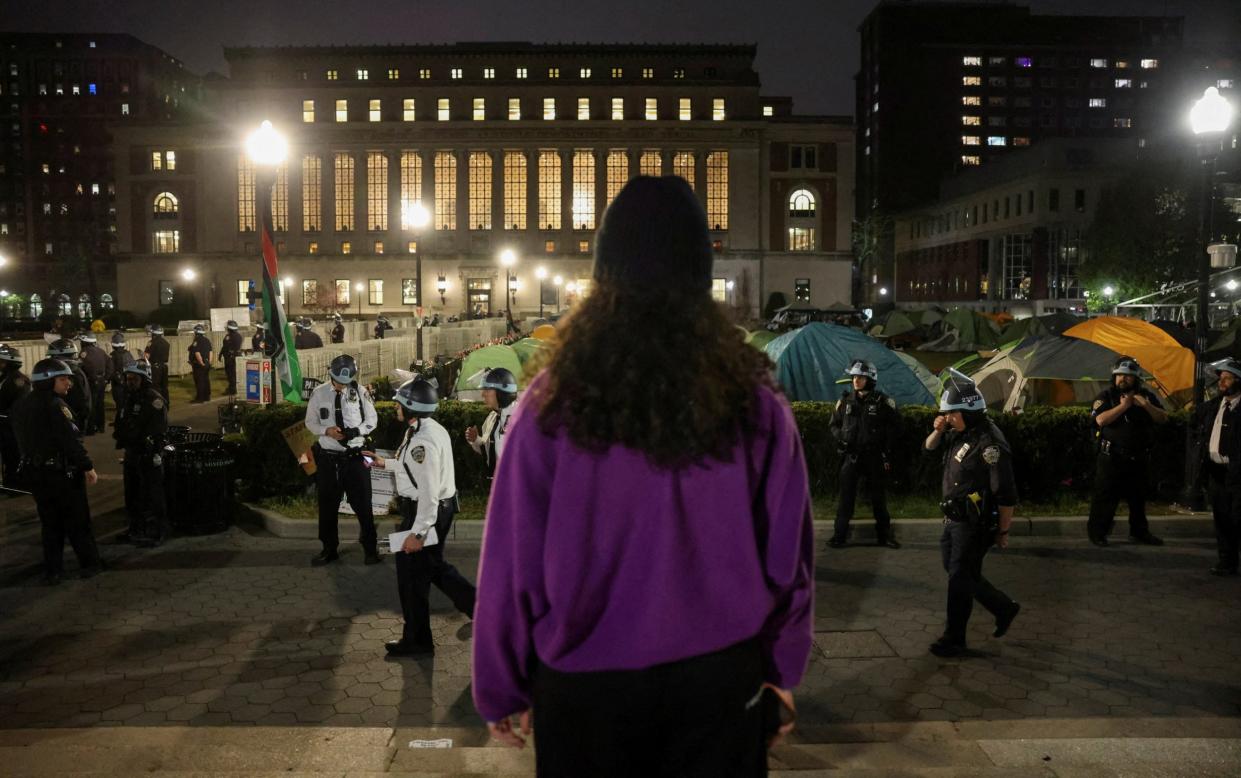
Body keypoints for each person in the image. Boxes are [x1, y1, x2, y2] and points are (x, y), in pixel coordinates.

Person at [473, 177, 810, 773]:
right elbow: (789, 555)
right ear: (700, 280)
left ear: (603, 279)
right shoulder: (753, 401)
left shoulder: (550, 405)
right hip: (719, 682)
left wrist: (502, 683)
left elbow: (511, 560)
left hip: (585, 687)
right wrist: (783, 670)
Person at [373, 378, 476, 657]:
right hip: (431, 512)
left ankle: (418, 640)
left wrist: (417, 533)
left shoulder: (423, 442)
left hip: (426, 513)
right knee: (431, 568)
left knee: (412, 577)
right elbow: (413, 470)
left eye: (399, 402)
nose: (395, 406)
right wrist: (387, 463)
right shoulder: (424, 429)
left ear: (411, 407)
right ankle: (478, 607)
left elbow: (429, 491)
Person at [923, 368, 1020, 658]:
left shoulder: (989, 443)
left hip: (973, 524)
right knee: (957, 572)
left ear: (969, 411)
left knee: (959, 580)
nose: (948, 418)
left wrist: (1003, 531)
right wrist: (940, 429)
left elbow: (1005, 493)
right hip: (953, 519)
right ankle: (1004, 607)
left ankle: (954, 638)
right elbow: (928, 449)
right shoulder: (961, 432)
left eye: (952, 413)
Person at [12, 358, 102, 584]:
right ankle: (90, 564)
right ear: (48, 381)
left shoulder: (22, 404)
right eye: (62, 379)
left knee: (50, 523)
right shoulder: (56, 406)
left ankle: (53, 570)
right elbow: (70, 441)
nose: (68, 384)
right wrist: (87, 466)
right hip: (62, 474)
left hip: (37, 473)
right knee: (77, 520)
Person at [304, 354, 380, 566]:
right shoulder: (319, 394)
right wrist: (326, 430)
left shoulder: (360, 392)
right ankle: (329, 549)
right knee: (327, 505)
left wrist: (355, 431)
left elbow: (372, 420)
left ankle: (370, 549)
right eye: (338, 382)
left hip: (356, 458)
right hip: (328, 459)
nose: (341, 386)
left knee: (363, 505)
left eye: (345, 383)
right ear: (331, 375)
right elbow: (310, 422)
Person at [1087, 357, 1167, 547]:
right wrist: (1124, 406)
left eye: (1128, 376)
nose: (1123, 379)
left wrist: (1145, 405)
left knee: (1138, 499)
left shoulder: (1146, 397)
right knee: (1105, 498)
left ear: (1136, 379)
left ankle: (1139, 532)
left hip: (1138, 457)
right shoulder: (1106, 396)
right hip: (1111, 457)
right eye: (1119, 375)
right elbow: (1100, 420)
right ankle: (1098, 533)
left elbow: (1163, 418)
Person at [828, 359, 900, 549]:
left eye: (860, 377)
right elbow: (834, 424)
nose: (855, 380)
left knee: (878, 499)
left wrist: (886, 451)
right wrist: (841, 439)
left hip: (874, 458)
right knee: (846, 499)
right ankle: (839, 536)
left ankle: (885, 537)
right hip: (851, 457)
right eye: (853, 377)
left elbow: (894, 429)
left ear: (871, 379)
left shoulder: (883, 402)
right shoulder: (844, 401)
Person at [113, 359, 169, 547]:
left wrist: (153, 451)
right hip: (132, 453)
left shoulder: (154, 400)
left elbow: (158, 430)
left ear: (144, 379)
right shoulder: (129, 398)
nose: (130, 382)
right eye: (128, 379)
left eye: (134, 379)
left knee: (153, 495)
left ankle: (159, 531)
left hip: (148, 454)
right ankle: (135, 528)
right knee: (132, 495)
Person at [1199, 358, 1241, 576]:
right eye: (1220, 378)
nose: (1221, 382)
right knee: (1222, 518)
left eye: (1227, 378)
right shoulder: (1214, 406)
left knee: (1237, 517)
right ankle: (1227, 561)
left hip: (1236, 473)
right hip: (1216, 471)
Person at [465, 367, 519, 476]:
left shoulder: (520, 417)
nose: (483, 394)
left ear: (501, 392)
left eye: (487, 389)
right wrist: (476, 440)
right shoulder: (492, 417)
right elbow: (489, 449)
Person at [0, 345, 31, 489]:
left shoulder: (18, 380)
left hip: (12, 425)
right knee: (8, 455)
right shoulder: (7, 378)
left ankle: (16, 484)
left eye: (2, 361)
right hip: (6, 424)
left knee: (14, 455)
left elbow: (9, 403)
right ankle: (10, 482)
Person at [47, 338, 92, 432]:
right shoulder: (73, 370)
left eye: (53, 356)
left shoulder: (72, 374)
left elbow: (78, 401)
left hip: (73, 420)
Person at [78, 332, 109, 434]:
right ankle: (101, 427)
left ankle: (91, 429)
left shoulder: (84, 353)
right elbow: (110, 365)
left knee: (91, 405)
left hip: (91, 382)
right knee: (100, 404)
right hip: (102, 381)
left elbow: (83, 367)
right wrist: (106, 378)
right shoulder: (101, 351)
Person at [144, 325, 170, 405]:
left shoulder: (151, 342)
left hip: (155, 367)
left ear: (153, 333)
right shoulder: (166, 343)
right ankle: (166, 403)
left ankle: (156, 404)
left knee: (155, 386)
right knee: (164, 387)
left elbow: (147, 356)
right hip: (164, 366)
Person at [110, 332, 136, 410]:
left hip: (118, 383)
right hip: (129, 382)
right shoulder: (128, 354)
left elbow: (111, 370)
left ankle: (120, 420)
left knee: (120, 404)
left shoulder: (112, 355)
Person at [188, 323, 213, 403]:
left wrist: (201, 363)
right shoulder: (207, 340)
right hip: (207, 363)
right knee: (206, 380)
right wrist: (209, 362)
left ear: (196, 332)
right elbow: (210, 352)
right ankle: (207, 396)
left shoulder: (196, 341)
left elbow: (197, 353)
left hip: (199, 364)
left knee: (199, 381)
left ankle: (200, 398)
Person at [220, 320, 244, 395]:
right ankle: (232, 388)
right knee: (230, 374)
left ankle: (232, 389)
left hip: (231, 358)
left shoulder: (234, 336)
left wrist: (230, 356)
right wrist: (220, 354)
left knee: (232, 374)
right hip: (229, 358)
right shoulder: (232, 335)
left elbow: (232, 348)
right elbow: (224, 347)